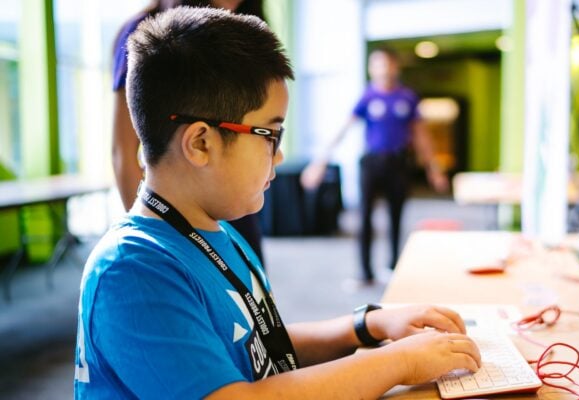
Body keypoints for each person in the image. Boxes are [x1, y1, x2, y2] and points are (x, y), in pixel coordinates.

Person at [75, 7, 480, 399]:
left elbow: (257, 346)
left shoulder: (216, 230)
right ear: (200, 143)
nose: (279, 155)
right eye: (270, 135)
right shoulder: (133, 271)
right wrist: (396, 363)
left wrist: (366, 325)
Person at [111, 0, 268, 264]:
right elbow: (123, 151)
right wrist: (150, 234)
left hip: (235, 206)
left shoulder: (250, 31)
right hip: (178, 211)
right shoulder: (146, 32)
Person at [301, 47, 448, 285]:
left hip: (399, 163)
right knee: (365, 217)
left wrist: (434, 168)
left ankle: (392, 267)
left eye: (387, 64)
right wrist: (319, 162)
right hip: (372, 163)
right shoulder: (368, 97)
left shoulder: (407, 98)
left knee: (396, 217)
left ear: (395, 67)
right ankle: (365, 272)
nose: (382, 69)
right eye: (376, 64)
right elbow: (343, 129)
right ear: (371, 68)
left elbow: (421, 135)